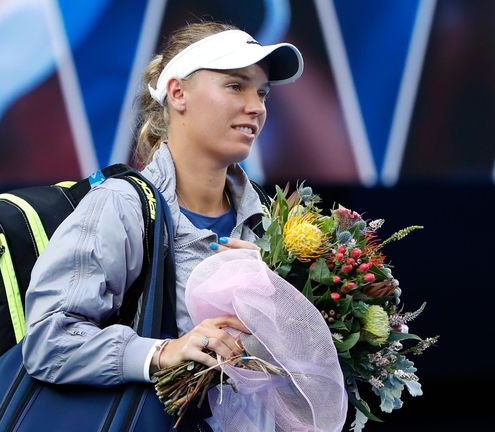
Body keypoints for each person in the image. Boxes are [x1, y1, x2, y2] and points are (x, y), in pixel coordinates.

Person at [21, 21, 305, 430]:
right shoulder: (120, 205)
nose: (256, 106)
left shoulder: (272, 220)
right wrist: (162, 352)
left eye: (261, 92)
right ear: (177, 93)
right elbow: (49, 340)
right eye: (235, 86)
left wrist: (285, 299)